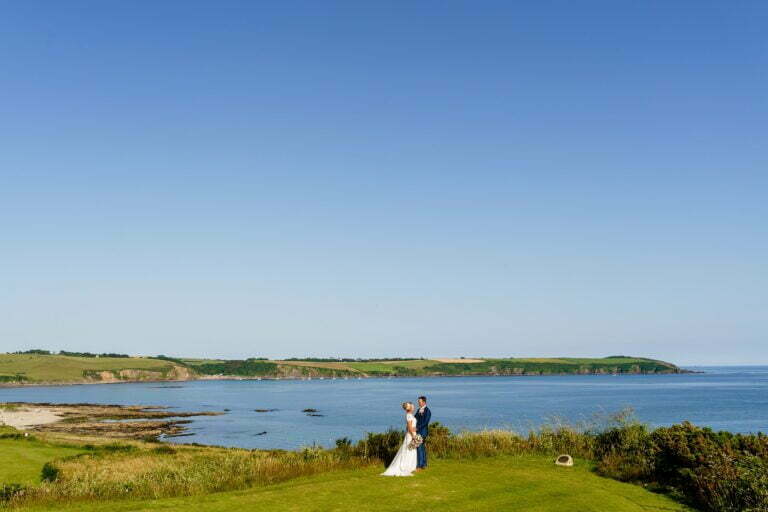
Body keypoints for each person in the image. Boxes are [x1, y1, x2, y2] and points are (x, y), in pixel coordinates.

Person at [381, 402, 418, 476]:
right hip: (411, 435)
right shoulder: (409, 416)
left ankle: (410, 467)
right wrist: (413, 435)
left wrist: (414, 429)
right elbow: (409, 427)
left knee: (411, 450)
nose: (414, 407)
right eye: (412, 406)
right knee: (408, 450)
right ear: (410, 408)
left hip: (412, 433)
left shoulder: (409, 415)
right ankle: (405, 467)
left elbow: (408, 427)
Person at [414, 395, 431, 470]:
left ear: (424, 402)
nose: (419, 403)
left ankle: (420, 466)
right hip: (418, 432)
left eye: (420, 402)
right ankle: (424, 464)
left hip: (423, 432)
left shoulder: (428, 411)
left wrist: (417, 427)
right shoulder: (418, 410)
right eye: (418, 402)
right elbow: (415, 418)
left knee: (419, 448)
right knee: (422, 448)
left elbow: (425, 422)